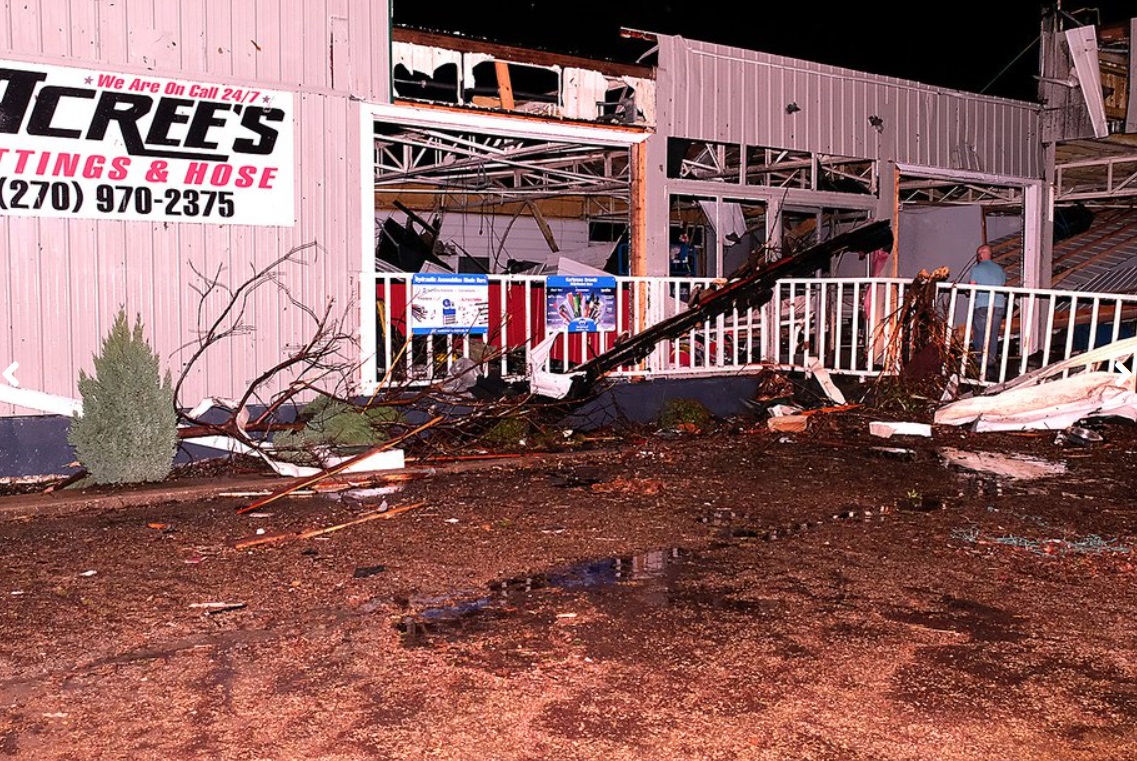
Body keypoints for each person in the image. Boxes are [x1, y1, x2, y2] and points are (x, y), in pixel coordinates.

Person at [968, 243, 1006, 375]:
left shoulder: (976, 269)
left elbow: (972, 287)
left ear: (981, 255)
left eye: (978, 254)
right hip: (999, 305)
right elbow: (1002, 284)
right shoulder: (1000, 269)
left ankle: (980, 360)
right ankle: (991, 360)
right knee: (993, 333)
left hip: (983, 305)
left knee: (980, 333)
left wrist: (969, 293)